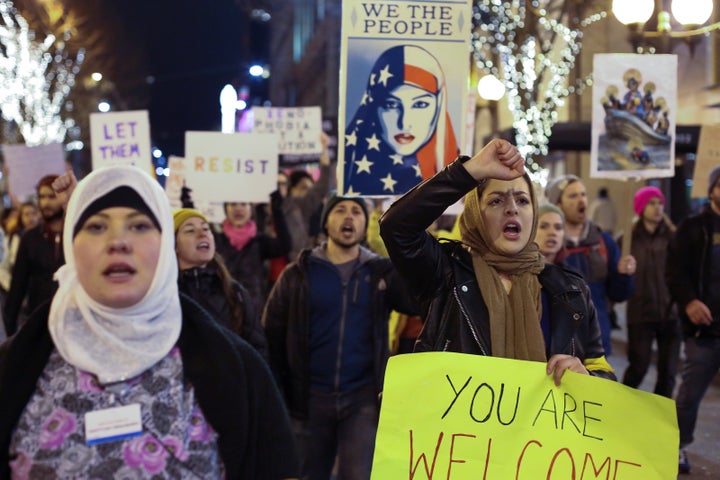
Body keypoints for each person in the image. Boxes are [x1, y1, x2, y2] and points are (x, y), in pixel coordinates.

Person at [0, 165, 299, 479]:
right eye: (97, 227)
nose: (118, 242)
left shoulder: (237, 367)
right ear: (72, 245)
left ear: (165, 245)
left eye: (139, 226)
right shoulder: (16, 366)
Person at [379, 140, 615, 385]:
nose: (512, 209)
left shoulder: (571, 289)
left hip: (541, 423)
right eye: (496, 201)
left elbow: (603, 373)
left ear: (533, 214)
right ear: (475, 215)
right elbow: (397, 227)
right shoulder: (446, 274)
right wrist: (470, 170)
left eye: (523, 201)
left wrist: (588, 378)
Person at [263, 190, 416, 480]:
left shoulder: (381, 272)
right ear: (325, 222)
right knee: (309, 473)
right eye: (340, 210)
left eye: (357, 212)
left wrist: (401, 247)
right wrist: (279, 391)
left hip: (362, 398)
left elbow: (415, 301)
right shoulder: (298, 274)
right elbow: (271, 333)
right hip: (308, 399)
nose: (348, 217)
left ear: (364, 223)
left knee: (357, 474)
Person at [343, 44, 459, 196]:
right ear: (374, 105)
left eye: (420, 104)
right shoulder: (354, 170)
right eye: (391, 104)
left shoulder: (456, 171)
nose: (404, 123)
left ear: (438, 105)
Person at [666, 166, 720, 475]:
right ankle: (677, 445)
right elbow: (674, 272)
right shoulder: (693, 228)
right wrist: (689, 302)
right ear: (711, 190)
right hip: (704, 330)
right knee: (689, 395)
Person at [545, 174, 635, 355]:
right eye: (572, 196)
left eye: (583, 194)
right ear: (557, 204)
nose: (581, 200)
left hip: (596, 343)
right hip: (558, 347)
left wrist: (624, 275)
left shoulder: (603, 242)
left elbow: (618, 295)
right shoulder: (548, 245)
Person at [174, 208, 268, 358]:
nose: (202, 234)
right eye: (190, 231)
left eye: (206, 229)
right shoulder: (166, 294)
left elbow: (257, 349)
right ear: (174, 245)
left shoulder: (235, 292)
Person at [620, 186, 680, 398]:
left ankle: (658, 416)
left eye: (660, 203)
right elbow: (618, 275)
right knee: (638, 367)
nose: (657, 208)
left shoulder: (674, 236)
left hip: (670, 313)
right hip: (640, 313)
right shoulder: (627, 239)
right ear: (641, 207)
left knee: (668, 373)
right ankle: (621, 407)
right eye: (651, 203)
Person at [3, 175, 66, 337]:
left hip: (71, 321)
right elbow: (18, 285)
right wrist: (11, 333)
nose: (45, 203)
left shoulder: (77, 234)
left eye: (51, 196)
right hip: (38, 322)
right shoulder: (30, 238)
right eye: (41, 197)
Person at [214, 191, 291, 316]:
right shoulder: (216, 240)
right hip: (222, 309)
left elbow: (284, 246)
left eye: (243, 204)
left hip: (253, 311)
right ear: (225, 209)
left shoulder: (259, 241)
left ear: (251, 209)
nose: (238, 209)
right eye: (233, 204)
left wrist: (277, 211)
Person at [0, 202, 40, 294]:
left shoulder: (46, 237)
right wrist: (13, 288)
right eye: (26, 214)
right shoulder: (12, 239)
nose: (31, 218)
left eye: (33, 213)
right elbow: (2, 268)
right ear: (21, 218)